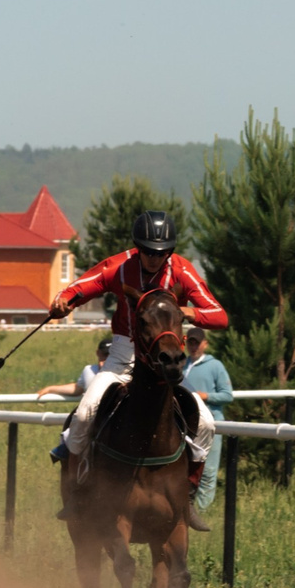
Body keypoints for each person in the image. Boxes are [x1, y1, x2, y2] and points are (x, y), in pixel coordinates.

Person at [43, 210, 230, 488]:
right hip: (123, 353)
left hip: (164, 360)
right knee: (83, 415)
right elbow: (81, 287)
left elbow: (220, 316)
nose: (155, 258)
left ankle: (187, 491)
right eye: (148, 252)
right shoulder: (119, 267)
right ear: (138, 248)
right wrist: (62, 302)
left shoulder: (181, 269)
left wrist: (186, 313)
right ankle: (77, 484)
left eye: (162, 252)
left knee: (205, 424)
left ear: (170, 251)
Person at [180, 325, 234, 520]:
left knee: (208, 471)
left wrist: (205, 396)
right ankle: (185, 509)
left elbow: (227, 395)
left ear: (205, 344)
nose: (193, 346)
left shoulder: (215, 366)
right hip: (185, 425)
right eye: (190, 342)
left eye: (197, 342)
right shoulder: (182, 364)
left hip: (211, 424)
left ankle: (202, 511)